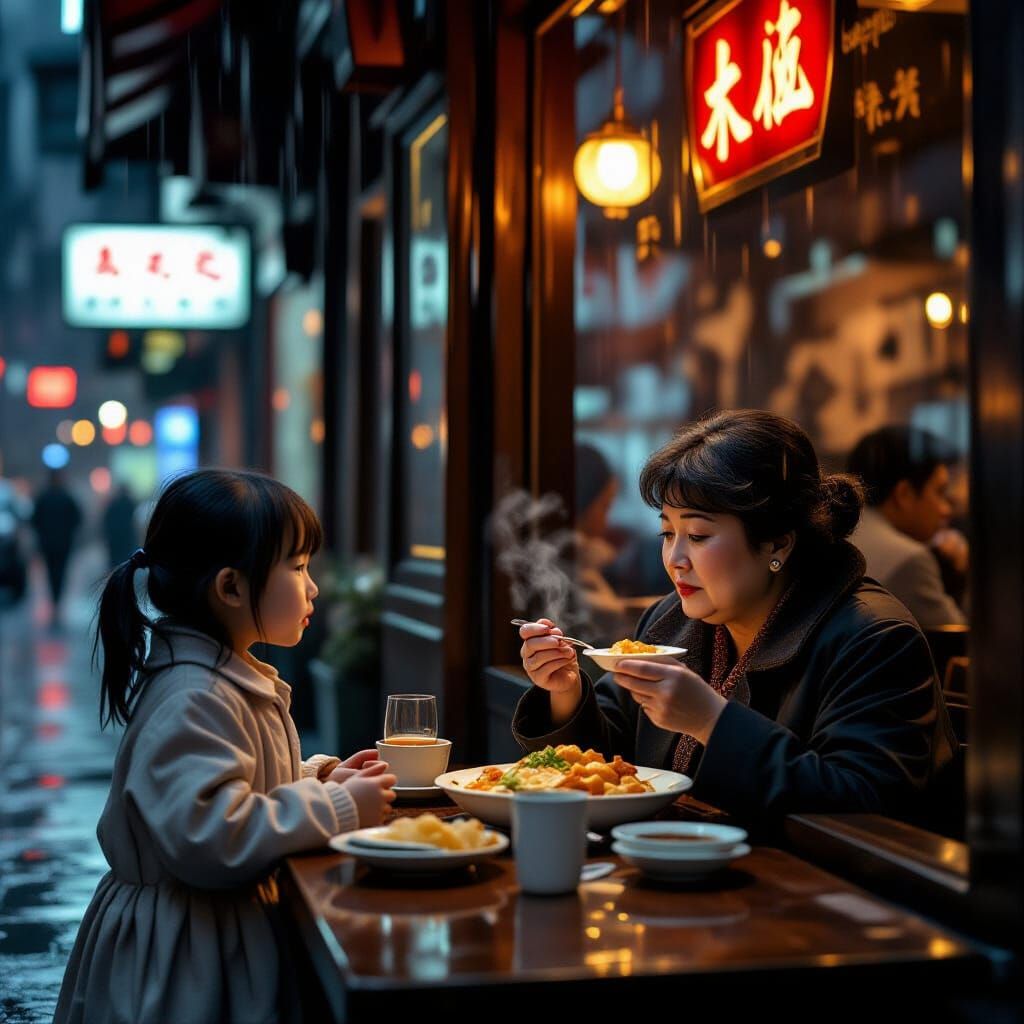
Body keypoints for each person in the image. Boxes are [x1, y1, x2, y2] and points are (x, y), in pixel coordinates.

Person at [55, 469, 397, 1024]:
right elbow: (209, 836)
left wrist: (315, 783)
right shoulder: (196, 694)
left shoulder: (220, 677)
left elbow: (236, 793)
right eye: (298, 567)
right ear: (232, 587)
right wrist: (334, 808)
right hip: (182, 960)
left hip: (206, 935)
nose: (313, 587)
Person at [515, 410, 957, 832]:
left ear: (777, 543)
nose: (674, 559)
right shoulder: (673, 620)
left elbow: (862, 804)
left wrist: (712, 721)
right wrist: (566, 692)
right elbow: (612, 763)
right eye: (667, 533)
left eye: (699, 535)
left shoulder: (872, 637)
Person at [846, 425, 967, 629]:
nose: (946, 510)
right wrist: (959, 573)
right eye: (940, 492)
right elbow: (962, 645)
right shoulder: (911, 561)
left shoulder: (842, 530)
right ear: (904, 495)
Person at [30, 469, 82, 628]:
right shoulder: (67, 497)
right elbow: (78, 517)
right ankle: (57, 599)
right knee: (61, 571)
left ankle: (54, 599)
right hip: (64, 543)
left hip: (47, 544)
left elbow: (34, 520)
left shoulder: (43, 497)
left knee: (51, 571)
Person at [101, 482, 139, 569]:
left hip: (114, 537)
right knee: (126, 557)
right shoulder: (131, 504)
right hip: (126, 536)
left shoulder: (113, 504)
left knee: (115, 559)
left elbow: (107, 520)